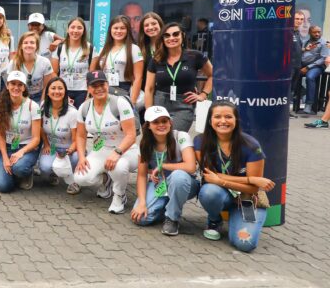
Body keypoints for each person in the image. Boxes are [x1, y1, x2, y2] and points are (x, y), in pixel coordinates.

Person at [195, 101, 275, 252]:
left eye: (228, 117)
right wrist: (250, 179)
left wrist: (221, 181)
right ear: (210, 120)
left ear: (236, 120)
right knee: (209, 192)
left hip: (247, 199)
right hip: (220, 194)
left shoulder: (251, 145)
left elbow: (252, 189)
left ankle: (236, 218)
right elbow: (210, 176)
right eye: (217, 116)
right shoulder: (200, 141)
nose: (223, 121)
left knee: (245, 243)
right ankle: (215, 220)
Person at [74, 71, 140, 214]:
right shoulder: (84, 108)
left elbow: (131, 135)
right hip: (101, 150)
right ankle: (106, 180)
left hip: (126, 150)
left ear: (107, 85)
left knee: (119, 166)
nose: (99, 89)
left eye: (102, 84)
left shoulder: (119, 102)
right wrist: (81, 157)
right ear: (88, 88)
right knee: (80, 177)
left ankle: (119, 195)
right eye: (94, 86)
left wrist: (117, 153)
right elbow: (80, 136)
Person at [130, 106, 199, 235]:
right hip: (160, 183)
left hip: (185, 183)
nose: (161, 125)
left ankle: (172, 218)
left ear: (170, 123)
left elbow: (191, 167)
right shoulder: (144, 143)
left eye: (164, 121)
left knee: (178, 177)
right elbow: (141, 176)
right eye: (156, 122)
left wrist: (164, 166)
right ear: (148, 125)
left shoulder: (181, 136)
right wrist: (142, 203)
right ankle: (165, 207)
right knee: (142, 218)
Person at [144, 22, 213, 132]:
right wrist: (149, 113)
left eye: (176, 34)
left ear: (183, 35)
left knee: (174, 137)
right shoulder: (156, 59)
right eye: (167, 35)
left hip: (184, 105)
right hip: (160, 103)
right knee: (158, 139)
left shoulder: (195, 56)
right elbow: (149, 88)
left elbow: (212, 75)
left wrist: (203, 95)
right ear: (162, 39)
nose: (171, 38)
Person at [0, 71, 42, 193]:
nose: (16, 87)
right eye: (13, 84)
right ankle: (13, 174)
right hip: (8, 147)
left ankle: (25, 172)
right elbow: (0, 135)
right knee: (3, 187)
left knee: (19, 168)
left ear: (24, 87)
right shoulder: (0, 105)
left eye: (20, 84)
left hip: (27, 148)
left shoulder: (33, 106)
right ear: (7, 85)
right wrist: (5, 157)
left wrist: (21, 152)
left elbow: (36, 139)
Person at [37, 77, 81, 194]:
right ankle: (55, 173)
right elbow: (40, 128)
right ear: (47, 92)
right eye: (53, 88)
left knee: (76, 158)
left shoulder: (73, 112)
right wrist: (46, 144)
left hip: (70, 148)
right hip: (52, 147)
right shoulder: (42, 107)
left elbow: (77, 139)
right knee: (45, 168)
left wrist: (69, 150)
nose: (57, 91)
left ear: (65, 92)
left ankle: (75, 180)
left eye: (60, 88)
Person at [90, 15, 144, 104]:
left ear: (127, 31)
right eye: (116, 28)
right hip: (104, 89)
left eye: (122, 28)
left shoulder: (134, 49)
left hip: (124, 89)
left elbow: (138, 78)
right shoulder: (103, 49)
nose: (118, 31)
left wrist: (132, 101)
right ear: (110, 30)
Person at [51, 17, 93, 107]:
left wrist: (89, 94)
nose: (75, 30)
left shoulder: (90, 48)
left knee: (80, 118)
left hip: (82, 91)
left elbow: (92, 74)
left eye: (79, 28)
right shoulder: (60, 48)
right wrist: (59, 89)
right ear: (68, 29)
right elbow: (54, 72)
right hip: (63, 90)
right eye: (72, 27)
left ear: (84, 31)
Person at [5, 31, 54, 104]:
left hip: (39, 97)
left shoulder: (45, 62)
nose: (29, 45)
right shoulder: (13, 63)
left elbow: (46, 86)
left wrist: (42, 102)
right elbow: (9, 85)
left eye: (32, 42)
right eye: (25, 43)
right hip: (20, 96)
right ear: (21, 46)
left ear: (37, 45)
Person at [298, 25, 329, 114]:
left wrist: (308, 67)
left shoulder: (324, 43)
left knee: (310, 77)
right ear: (309, 33)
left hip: (317, 66)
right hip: (303, 65)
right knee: (293, 75)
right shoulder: (305, 41)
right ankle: (297, 96)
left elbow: (323, 59)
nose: (317, 34)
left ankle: (309, 104)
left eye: (319, 32)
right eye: (314, 32)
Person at [137, 12, 164, 105]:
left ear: (160, 24)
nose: (150, 27)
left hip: (165, 94)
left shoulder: (169, 45)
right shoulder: (139, 48)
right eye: (146, 25)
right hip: (145, 94)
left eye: (154, 23)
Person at [290, 11, 306, 117]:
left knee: (292, 89)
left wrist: (305, 49)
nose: (299, 21)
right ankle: (283, 112)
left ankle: (287, 111)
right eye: (297, 19)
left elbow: (297, 49)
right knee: (286, 89)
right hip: (288, 67)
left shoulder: (297, 33)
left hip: (297, 66)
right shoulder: (287, 32)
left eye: (301, 19)